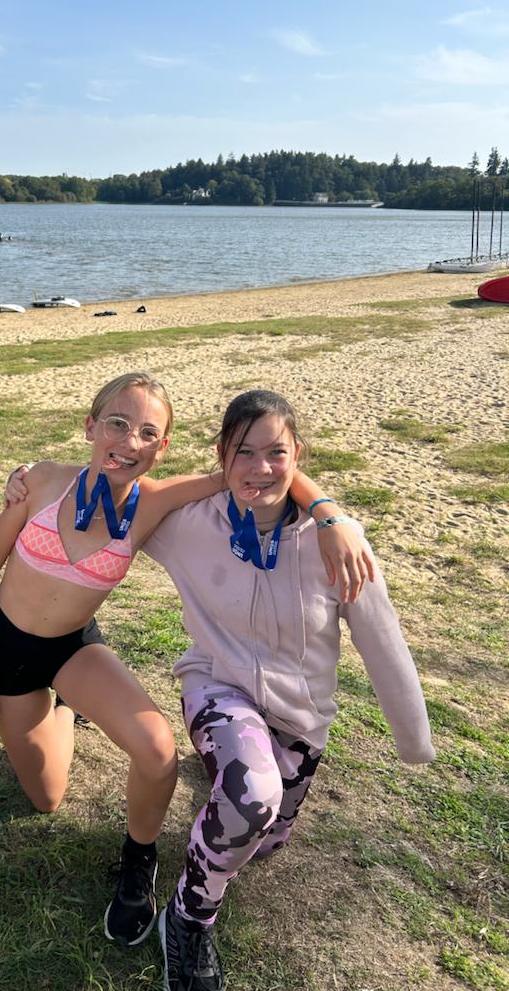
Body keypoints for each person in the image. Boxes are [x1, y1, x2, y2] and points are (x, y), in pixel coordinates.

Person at [0, 373, 373, 953]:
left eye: (147, 433)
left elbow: (253, 470)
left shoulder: (153, 502)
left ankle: (139, 859)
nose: (128, 441)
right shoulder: (42, 481)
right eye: (117, 423)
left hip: (73, 649)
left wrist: (330, 515)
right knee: (46, 799)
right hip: (7, 653)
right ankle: (63, 713)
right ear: (90, 425)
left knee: (157, 750)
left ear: (161, 449)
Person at [136, 389, 434, 991]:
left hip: (301, 717)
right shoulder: (189, 524)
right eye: (243, 453)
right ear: (221, 454)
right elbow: (115, 497)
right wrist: (31, 479)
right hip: (217, 686)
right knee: (251, 799)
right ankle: (188, 918)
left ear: (300, 455)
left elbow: (382, 641)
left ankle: (236, 778)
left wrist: (414, 741)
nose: (260, 468)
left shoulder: (337, 543)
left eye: (276, 453)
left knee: (264, 839)